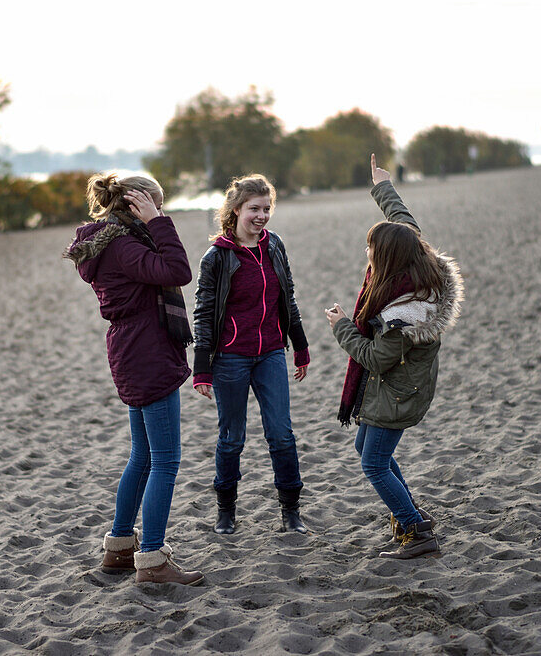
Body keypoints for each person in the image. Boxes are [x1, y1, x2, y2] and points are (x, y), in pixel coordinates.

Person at [64, 173, 204, 585]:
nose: (162, 214)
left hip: (130, 349)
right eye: (158, 206)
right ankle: (153, 560)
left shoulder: (107, 244)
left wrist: (154, 221)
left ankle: (120, 549)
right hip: (146, 351)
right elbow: (178, 270)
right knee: (165, 459)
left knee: (142, 456)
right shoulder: (124, 246)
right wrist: (160, 223)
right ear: (138, 205)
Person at [325, 155, 463, 559]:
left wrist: (341, 327)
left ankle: (416, 530)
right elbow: (404, 222)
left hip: (398, 390)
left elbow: (376, 358)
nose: (366, 254)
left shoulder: (402, 315)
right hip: (397, 386)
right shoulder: (417, 259)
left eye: (371, 249)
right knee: (367, 451)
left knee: (373, 464)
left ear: (385, 258)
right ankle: (409, 516)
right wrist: (383, 186)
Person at [192, 174, 310, 536]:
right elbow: (203, 311)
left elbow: (286, 297)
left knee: (282, 435)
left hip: (271, 353)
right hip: (230, 359)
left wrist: (300, 347)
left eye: (267, 208)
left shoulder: (274, 246)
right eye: (254, 209)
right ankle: (225, 512)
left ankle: (291, 512)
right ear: (235, 210)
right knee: (232, 438)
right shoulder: (217, 257)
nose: (261, 216)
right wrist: (202, 369)